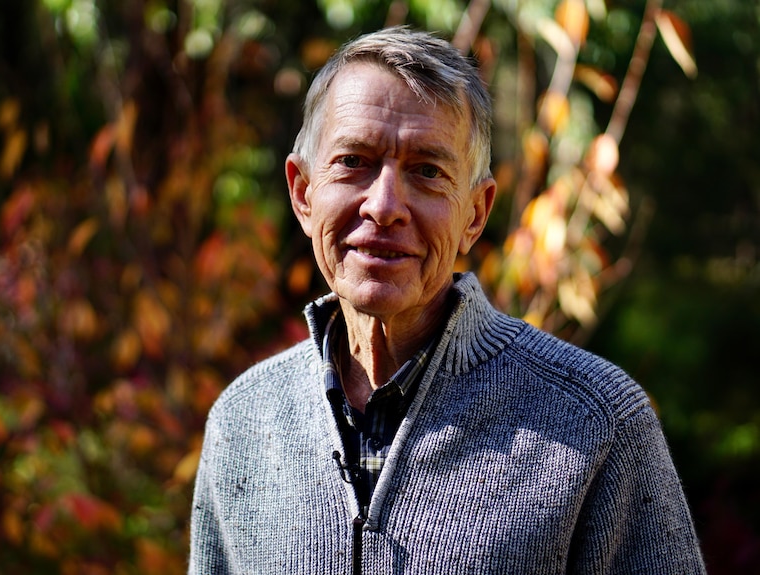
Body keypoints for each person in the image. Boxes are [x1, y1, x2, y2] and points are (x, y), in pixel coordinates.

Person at [188, 27, 705, 574]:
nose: (385, 206)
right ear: (302, 193)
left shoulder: (597, 421)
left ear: (475, 215)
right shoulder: (245, 421)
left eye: (427, 172)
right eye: (354, 162)